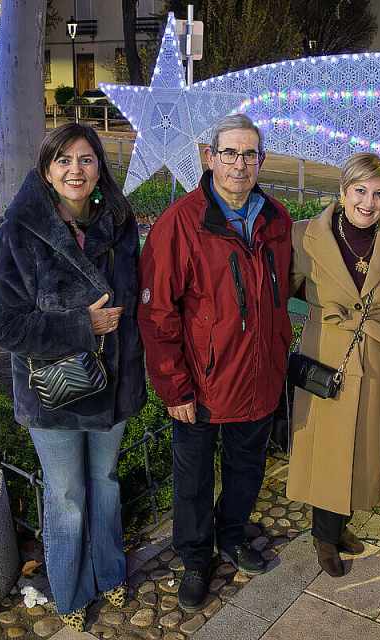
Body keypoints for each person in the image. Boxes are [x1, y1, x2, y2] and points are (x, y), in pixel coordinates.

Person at [0, 122, 146, 632]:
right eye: (64, 160)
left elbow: (136, 303)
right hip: (54, 392)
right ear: (46, 170)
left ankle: (110, 571)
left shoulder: (119, 225)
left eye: (86, 159)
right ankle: (70, 591)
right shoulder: (19, 233)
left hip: (113, 385)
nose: (75, 170)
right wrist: (83, 326)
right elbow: (3, 326)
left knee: (105, 483)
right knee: (67, 496)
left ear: (99, 169)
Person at [137, 114, 292, 611]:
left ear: (261, 160)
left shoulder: (276, 219)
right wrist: (174, 386)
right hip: (201, 384)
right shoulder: (180, 223)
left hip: (259, 375)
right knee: (194, 480)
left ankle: (233, 535)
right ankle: (195, 557)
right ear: (209, 158)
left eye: (249, 154)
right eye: (229, 153)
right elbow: (157, 313)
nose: (239, 164)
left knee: (247, 468)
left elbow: (281, 291)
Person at [287, 153, 380, 577]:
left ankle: (339, 524)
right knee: (327, 446)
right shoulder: (304, 235)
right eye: (360, 190)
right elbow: (288, 287)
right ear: (342, 192)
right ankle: (324, 535)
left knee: (362, 445)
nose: (368, 202)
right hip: (327, 352)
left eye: (379, 194)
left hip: (375, 353)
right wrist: (326, 313)